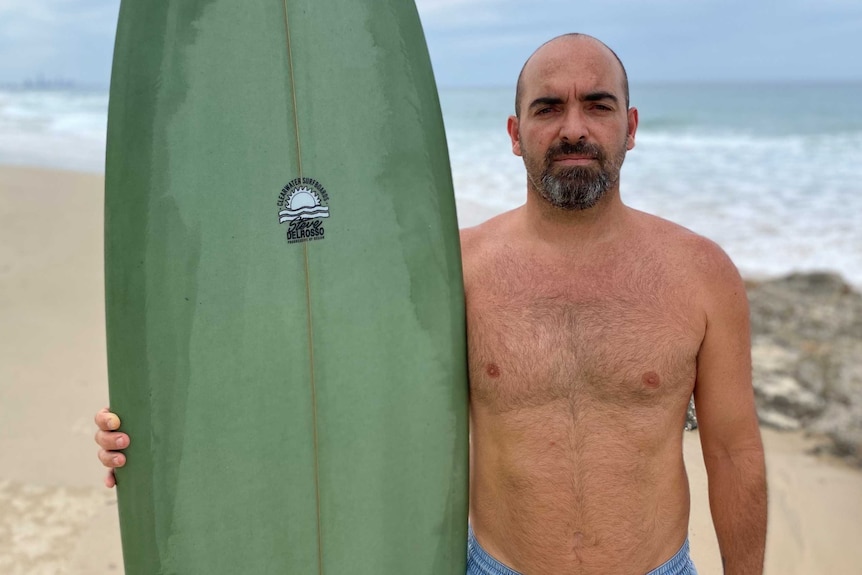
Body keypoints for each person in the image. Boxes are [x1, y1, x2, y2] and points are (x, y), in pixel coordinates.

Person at [95, 33, 767, 574]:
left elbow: (734, 452)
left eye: (597, 104)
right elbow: (325, 385)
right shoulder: (454, 270)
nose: (573, 128)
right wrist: (162, 437)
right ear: (513, 131)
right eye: (547, 107)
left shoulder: (700, 274)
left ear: (631, 125)